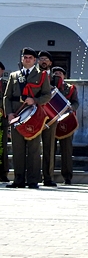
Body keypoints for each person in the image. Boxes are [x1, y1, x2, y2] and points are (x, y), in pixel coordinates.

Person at [4, 47, 52, 188]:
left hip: (33, 115)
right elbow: (7, 97)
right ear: (22, 59)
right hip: (16, 114)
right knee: (17, 148)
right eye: (25, 57)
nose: (27, 60)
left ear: (35, 60)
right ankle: (18, 179)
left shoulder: (41, 75)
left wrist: (35, 101)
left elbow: (47, 95)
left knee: (34, 149)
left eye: (30, 58)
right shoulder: (14, 75)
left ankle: (32, 180)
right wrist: (9, 113)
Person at [51, 66, 79, 184]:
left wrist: (71, 108)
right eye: (55, 73)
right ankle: (48, 175)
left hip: (66, 121)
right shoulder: (49, 87)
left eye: (60, 73)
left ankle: (67, 176)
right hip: (51, 121)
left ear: (64, 76)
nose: (57, 75)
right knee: (50, 150)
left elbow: (76, 102)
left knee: (67, 150)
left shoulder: (70, 88)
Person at [38, 51, 59, 187]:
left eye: (46, 59)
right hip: (36, 114)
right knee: (33, 147)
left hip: (51, 115)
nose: (43, 61)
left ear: (50, 63)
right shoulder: (34, 75)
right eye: (41, 59)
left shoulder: (56, 78)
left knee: (49, 147)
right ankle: (33, 175)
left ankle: (48, 177)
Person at [0, 61, 8, 183]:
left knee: (3, 145)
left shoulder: (6, 83)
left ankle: (3, 173)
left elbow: (8, 98)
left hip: (3, 117)